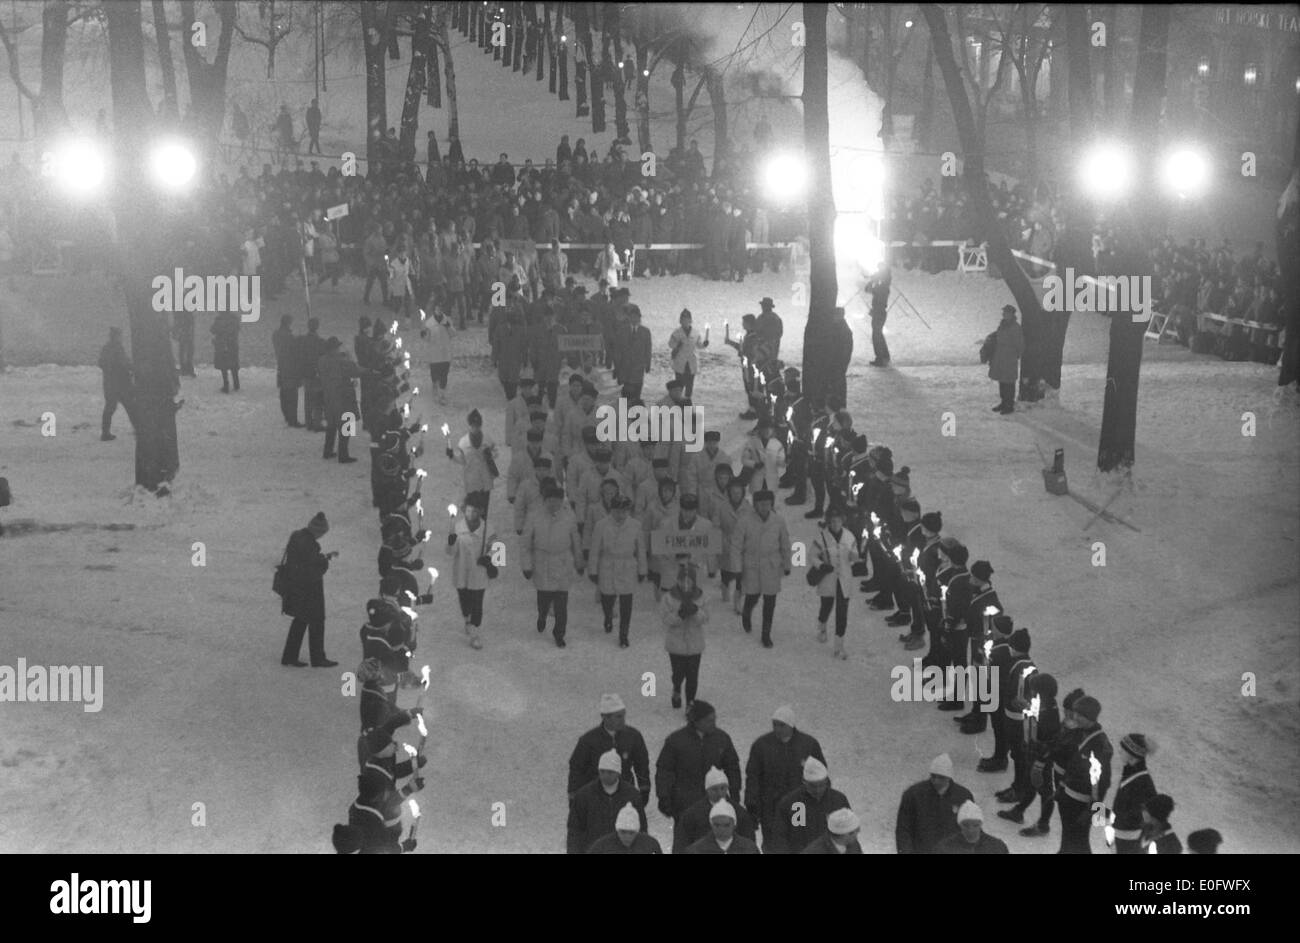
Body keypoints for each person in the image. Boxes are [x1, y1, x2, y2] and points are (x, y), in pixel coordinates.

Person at [655, 700, 742, 852]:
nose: (713, 723)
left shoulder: (722, 739)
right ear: (696, 721)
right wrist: (664, 796)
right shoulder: (676, 741)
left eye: (714, 719)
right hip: (685, 805)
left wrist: (734, 794)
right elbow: (664, 771)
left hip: (716, 803)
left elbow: (732, 767)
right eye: (709, 720)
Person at [742, 706, 827, 850]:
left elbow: (821, 773)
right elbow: (753, 777)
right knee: (772, 842)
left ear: (791, 725)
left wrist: (821, 802)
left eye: (782, 725)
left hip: (798, 806)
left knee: (798, 839)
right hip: (770, 806)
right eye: (774, 724)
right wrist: (752, 805)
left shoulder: (808, 745)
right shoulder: (761, 745)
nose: (777, 729)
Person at [520, 480, 584, 648]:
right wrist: (526, 565)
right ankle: (542, 615)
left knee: (562, 603)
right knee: (544, 599)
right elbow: (525, 543)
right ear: (544, 500)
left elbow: (576, 540)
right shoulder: (534, 516)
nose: (553, 503)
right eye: (550, 500)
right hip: (542, 562)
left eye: (557, 500)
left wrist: (579, 561)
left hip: (563, 563)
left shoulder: (569, 517)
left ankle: (559, 633)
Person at [277, 512, 339, 668]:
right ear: (318, 531)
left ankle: (289, 656)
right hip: (309, 589)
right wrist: (325, 561)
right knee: (317, 622)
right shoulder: (310, 544)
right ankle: (317, 658)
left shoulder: (297, 537)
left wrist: (322, 557)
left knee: (300, 621)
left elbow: (303, 560)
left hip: (295, 586)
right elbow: (313, 567)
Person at [567, 693, 652, 805]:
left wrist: (644, 789)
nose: (623, 720)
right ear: (605, 717)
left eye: (623, 715)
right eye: (618, 717)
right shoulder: (588, 741)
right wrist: (574, 796)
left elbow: (642, 764)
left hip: (625, 794)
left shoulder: (633, 736)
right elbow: (576, 769)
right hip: (596, 797)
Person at [588, 495, 647, 646]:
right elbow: (594, 549)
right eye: (617, 511)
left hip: (627, 565)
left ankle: (623, 634)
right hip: (608, 564)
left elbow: (641, 550)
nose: (620, 514)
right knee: (607, 598)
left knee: (626, 602)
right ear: (611, 510)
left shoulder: (636, 525)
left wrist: (642, 569)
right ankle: (608, 616)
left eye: (624, 511)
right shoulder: (601, 525)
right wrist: (593, 570)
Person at [736, 490, 791, 648]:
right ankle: (747, 612)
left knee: (770, 601)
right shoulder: (745, 521)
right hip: (752, 565)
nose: (764, 507)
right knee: (752, 597)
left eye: (767, 504)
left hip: (771, 566)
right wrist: (737, 567)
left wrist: (787, 564)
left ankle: (766, 634)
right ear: (755, 505)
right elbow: (736, 545)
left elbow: (785, 543)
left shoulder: (778, 521)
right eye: (761, 504)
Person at [565, 750, 647, 854]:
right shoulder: (584, 796)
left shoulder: (632, 795)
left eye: (610, 772)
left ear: (618, 772)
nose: (605, 775)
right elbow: (574, 831)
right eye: (602, 771)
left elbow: (642, 829)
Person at [767, 757, 852, 854]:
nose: (818, 790)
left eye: (821, 785)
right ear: (804, 782)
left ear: (826, 781)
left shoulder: (838, 801)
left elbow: (850, 836)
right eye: (813, 786)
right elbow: (779, 839)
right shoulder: (788, 803)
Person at [446, 492, 496, 650]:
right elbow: (451, 552)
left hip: (478, 574)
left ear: (481, 511)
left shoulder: (489, 529)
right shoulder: (457, 527)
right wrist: (451, 542)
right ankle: (467, 618)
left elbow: (497, 550)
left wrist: (488, 558)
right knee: (465, 602)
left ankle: (475, 633)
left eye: (474, 511)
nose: (470, 514)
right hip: (461, 572)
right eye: (468, 510)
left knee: (477, 604)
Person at [895, 754, 974, 854]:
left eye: (941, 777)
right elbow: (903, 830)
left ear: (949, 777)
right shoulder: (913, 795)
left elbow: (971, 830)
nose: (936, 781)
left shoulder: (963, 796)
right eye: (933, 776)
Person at [812, 505, 859, 659]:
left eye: (838, 521)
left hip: (844, 580)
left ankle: (839, 646)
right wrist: (821, 565)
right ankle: (822, 627)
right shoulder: (822, 537)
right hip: (828, 579)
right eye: (832, 521)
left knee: (842, 613)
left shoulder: (849, 536)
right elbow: (812, 555)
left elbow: (854, 556)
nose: (835, 524)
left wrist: (854, 556)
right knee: (826, 606)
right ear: (828, 522)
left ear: (842, 521)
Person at [661, 560, 709, 710]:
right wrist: (679, 615)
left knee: (692, 677)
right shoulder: (669, 598)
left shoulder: (701, 597)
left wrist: (695, 611)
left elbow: (705, 618)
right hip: (676, 645)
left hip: (695, 644)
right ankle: (676, 689)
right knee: (678, 674)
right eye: (683, 581)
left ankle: (690, 702)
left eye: (689, 581)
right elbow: (666, 619)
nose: (686, 584)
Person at [674, 766, 757, 853]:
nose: (720, 793)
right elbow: (680, 845)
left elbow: (749, 844)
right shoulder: (691, 815)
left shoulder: (740, 814)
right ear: (707, 790)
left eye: (723, 788)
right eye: (714, 789)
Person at [318, 338, 364, 463]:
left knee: (331, 425)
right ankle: (343, 454)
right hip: (344, 397)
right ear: (334, 349)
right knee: (346, 426)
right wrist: (350, 358)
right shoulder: (342, 362)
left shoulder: (322, 360)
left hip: (329, 396)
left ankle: (327, 451)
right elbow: (356, 371)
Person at [1111, 733, 1158, 854]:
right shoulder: (1130, 773)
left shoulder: (1142, 782)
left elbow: (1139, 814)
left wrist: (1115, 820)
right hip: (1124, 836)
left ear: (1133, 754)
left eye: (1123, 749)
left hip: (1131, 841)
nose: (1119, 751)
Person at [447, 409, 499, 513]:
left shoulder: (487, 439)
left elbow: (496, 452)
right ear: (469, 425)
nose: (475, 428)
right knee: (472, 513)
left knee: (483, 511)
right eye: (473, 426)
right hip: (471, 482)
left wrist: (490, 455)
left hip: (485, 482)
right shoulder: (463, 442)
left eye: (477, 426)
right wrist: (452, 456)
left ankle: (483, 528)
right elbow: (462, 460)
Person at [97, 327, 134, 442]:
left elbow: (101, 363)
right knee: (131, 407)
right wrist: (133, 367)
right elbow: (124, 364)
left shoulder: (106, 348)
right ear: (117, 336)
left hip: (109, 384)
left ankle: (105, 432)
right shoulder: (118, 348)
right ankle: (139, 429)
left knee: (110, 408)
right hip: (122, 384)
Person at [986, 304, 1024, 414]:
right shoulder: (1002, 326)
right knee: (1002, 381)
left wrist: (1014, 355)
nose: (1004, 314)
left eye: (1006, 313)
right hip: (1000, 357)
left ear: (1011, 314)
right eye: (1003, 313)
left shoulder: (1015, 327)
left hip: (1009, 358)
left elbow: (1020, 344)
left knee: (1009, 382)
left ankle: (1009, 405)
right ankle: (1003, 403)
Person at [684, 800, 760, 854]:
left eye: (726, 825)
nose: (722, 830)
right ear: (711, 825)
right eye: (717, 825)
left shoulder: (749, 849)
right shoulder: (696, 851)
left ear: (734, 825)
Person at [586, 803, 664, 854]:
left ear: (637, 831)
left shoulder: (650, 844)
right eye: (623, 832)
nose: (627, 837)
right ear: (617, 830)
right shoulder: (601, 847)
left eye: (631, 833)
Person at [935, 801, 1010, 853]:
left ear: (981, 824)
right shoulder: (944, 848)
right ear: (959, 825)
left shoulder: (997, 847)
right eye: (966, 825)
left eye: (975, 825)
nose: (971, 830)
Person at [668, 308, 708, 399]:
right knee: (679, 387)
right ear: (680, 321)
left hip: (691, 363)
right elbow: (670, 344)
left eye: (687, 319)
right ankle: (678, 406)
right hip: (680, 362)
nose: (685, 321)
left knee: (689, 387)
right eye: (683, 319)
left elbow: (699, 345)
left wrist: (704, 344)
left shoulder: (695, 333)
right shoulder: (676, 333)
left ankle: (687, 405)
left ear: (690, 320)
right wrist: (677, 345)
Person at [272, 316, 303, 427]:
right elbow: (294, 350)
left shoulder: (276, 334)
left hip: (282, 366)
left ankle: (286, 415)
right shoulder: (288, 337)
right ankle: (293, 419)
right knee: (292, 396)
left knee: (284, 394)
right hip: (291, 368)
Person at [421, 307, 455, 405]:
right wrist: (423, 334)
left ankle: (442, 395)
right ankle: (435, 388)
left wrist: (449, 327)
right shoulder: (429, 323)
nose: (439, 310)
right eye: (437, 309)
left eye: (440, 308)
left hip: (445, 354)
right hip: (434, 355)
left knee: (444, 375)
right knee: (435, 375)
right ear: (434, 310)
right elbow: (427, 339)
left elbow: (453, 334)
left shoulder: (447, 320)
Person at [620, 305, 652, 400]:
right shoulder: (623, 330)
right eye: (632, 316)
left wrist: (648, 364)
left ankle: (636, 411)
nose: (634, 319)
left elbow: (648, 348)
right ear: (629, 318)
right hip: (626, 366)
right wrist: (618, 366)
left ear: (639, 318)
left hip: (639, 366)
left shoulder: (645, 331)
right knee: (626, 392)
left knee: (637, 391)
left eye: (636, 317)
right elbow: (618, 349)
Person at [867, 266, 892, 367]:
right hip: (880, 312)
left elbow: (868, 289)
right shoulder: (885, 286)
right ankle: (885, 356)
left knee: (876, 336)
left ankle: (880, 358)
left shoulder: (882, 287)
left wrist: (872, 281)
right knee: (879, 334)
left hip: (878, 312)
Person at [211, 310, 241, 393]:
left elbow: (213, 330)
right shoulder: (234, 318)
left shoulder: (219, 319)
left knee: (223, 366)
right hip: (232, 345)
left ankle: (226, 385)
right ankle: (236, 383)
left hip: (222, 345)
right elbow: (237, 329)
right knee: (234, 365)